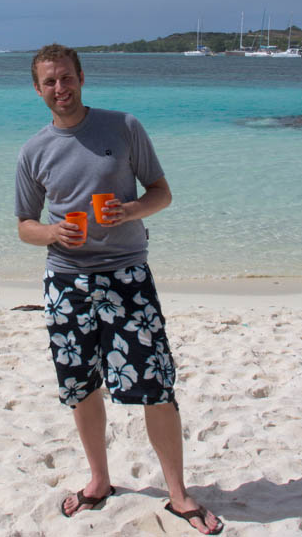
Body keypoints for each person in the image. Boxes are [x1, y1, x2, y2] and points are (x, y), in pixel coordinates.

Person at [14, 44, 223, 535]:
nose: (60, 88)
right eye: (50, 82)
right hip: (66, 280)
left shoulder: (124, 127)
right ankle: (99, 481)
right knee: (81, 386)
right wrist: (52, 232)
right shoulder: (33, 151)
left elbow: (162, 193)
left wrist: (130, 211)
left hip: (126, 275)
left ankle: (178, 495)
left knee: (157, 386)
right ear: (37, 89)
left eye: (67, 77)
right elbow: (24, 225)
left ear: (82, 78)